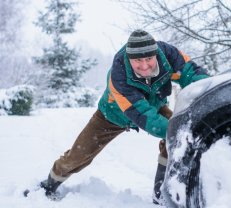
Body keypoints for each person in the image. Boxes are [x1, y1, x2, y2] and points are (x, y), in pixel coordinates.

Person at [38, 29, 209, 204]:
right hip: (112, 116)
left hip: (154, 106)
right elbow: (143, 115)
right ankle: (48, 185)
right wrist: (175, 130)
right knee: (78, 156)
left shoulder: (169, 56)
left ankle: (160, 192)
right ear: (129, 59)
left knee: (177, 134)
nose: (144, 66)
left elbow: (195, 76)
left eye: (148, 59)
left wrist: (212, 98)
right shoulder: (118, 74)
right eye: (138, 60)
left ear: (156, 54)